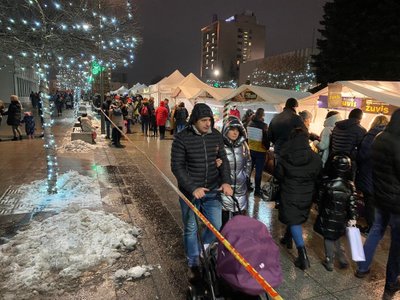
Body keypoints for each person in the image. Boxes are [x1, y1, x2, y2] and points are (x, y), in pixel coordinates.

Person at [171, 103, 233, 283]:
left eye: (210, 120)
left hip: (213, 190)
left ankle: (198, 250)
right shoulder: (182, 138)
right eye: (204, 120)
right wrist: (193, 188)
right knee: (190, 228)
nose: (208, 124)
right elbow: (177, 167)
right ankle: (193, 264)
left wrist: (226, 181)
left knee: (215, 225)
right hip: (190, 193)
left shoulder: (215, 136)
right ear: (194, 121)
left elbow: (224, 161)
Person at [355, 109, 400, 300]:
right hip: (397, 200)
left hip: (380, 194)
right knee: (397, 244)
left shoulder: (379, 137)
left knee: (376, 229)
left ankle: (362, 267)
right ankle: (390, 284)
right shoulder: (398, 143)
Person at [275, 128, 322, 270]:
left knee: (293, 220)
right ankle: (287, 238)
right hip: (307, 194)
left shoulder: (285, 155)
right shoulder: (315, 157)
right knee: (295, 217)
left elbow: (279, 175)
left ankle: (303, 256)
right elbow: (318, 175)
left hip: (289, 192)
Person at [315, 155, 357, 271]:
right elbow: (352, 205)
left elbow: (320, 198)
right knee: (337, 236)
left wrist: (320, 208)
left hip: (327, 215)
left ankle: (329, 261)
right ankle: (342, 259)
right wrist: (353, 218)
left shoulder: (327, 182)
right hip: (341, 217)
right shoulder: (350, 185)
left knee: (328, 237)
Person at [355, 115, 389, 233]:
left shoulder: (370, 136)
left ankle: (371, 228)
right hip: (383, 177)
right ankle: (377, 227)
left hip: (369, 174)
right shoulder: (391, 137)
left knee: (370, 202)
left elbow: (362, 156)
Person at [220, 116, 252, 227]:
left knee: (239, 222)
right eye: (232, 129)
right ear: (226, 130)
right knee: (223, 223)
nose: (235, 133)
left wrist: (246, 176)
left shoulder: (244, 146)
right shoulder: (220, 146)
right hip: (224, 189)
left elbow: (248, 161)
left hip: (240, 189)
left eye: (237, 130)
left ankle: (236, 242)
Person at [330, 108, 367, 179]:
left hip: (334, 159)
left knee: (333, 181)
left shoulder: (336, 127)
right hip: (349, 163)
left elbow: (332, 142)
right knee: (347, 184)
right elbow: (361, 149)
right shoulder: (361, 130)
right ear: (360, 118)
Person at [247, 108, 269, 198]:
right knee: (258, 172)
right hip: (260, 151)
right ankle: (257, 191)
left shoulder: (250, 123)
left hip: (250, 150)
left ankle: (247, 186)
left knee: (249, 170)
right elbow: (267, 139)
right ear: (262, 115)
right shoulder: (264, 126)